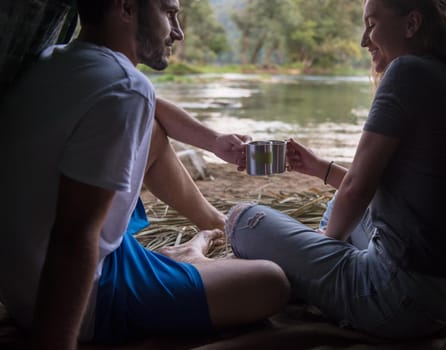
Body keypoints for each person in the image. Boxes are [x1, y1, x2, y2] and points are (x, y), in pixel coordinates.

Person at [0, 1, 290, 349]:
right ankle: (189, 261)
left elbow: (150, 102)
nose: (178, 32)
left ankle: (213, 223)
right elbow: (73, 235)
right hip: (79, 297)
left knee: (150, 131)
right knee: (271, 283)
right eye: (169, 13)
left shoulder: (59, 58)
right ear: (125, 8)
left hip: (19, 279)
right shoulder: (125, 89)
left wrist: (214, 142)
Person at [225, 0, 446, 339]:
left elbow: (357, 189)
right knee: (336, 209)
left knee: (241, 220)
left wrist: (322, 249)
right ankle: (320, 272)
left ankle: (318, 277)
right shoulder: (445, 75)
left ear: (411, 23)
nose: (364, 40)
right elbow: (374, 189)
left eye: (372, 24)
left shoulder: (407, 71)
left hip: (401, 299)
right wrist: (319, 167)